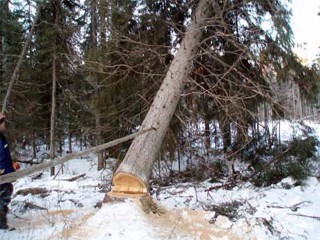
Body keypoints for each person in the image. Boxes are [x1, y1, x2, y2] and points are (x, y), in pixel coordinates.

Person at [0, 113, 15, 230]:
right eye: (3, 122)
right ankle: (1, 225)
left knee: (6, 195)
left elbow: (5, 158)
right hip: (2, 175)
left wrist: (12, 169)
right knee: (2, 198)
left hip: (6, 173)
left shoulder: (1, 138)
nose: (4, 125)